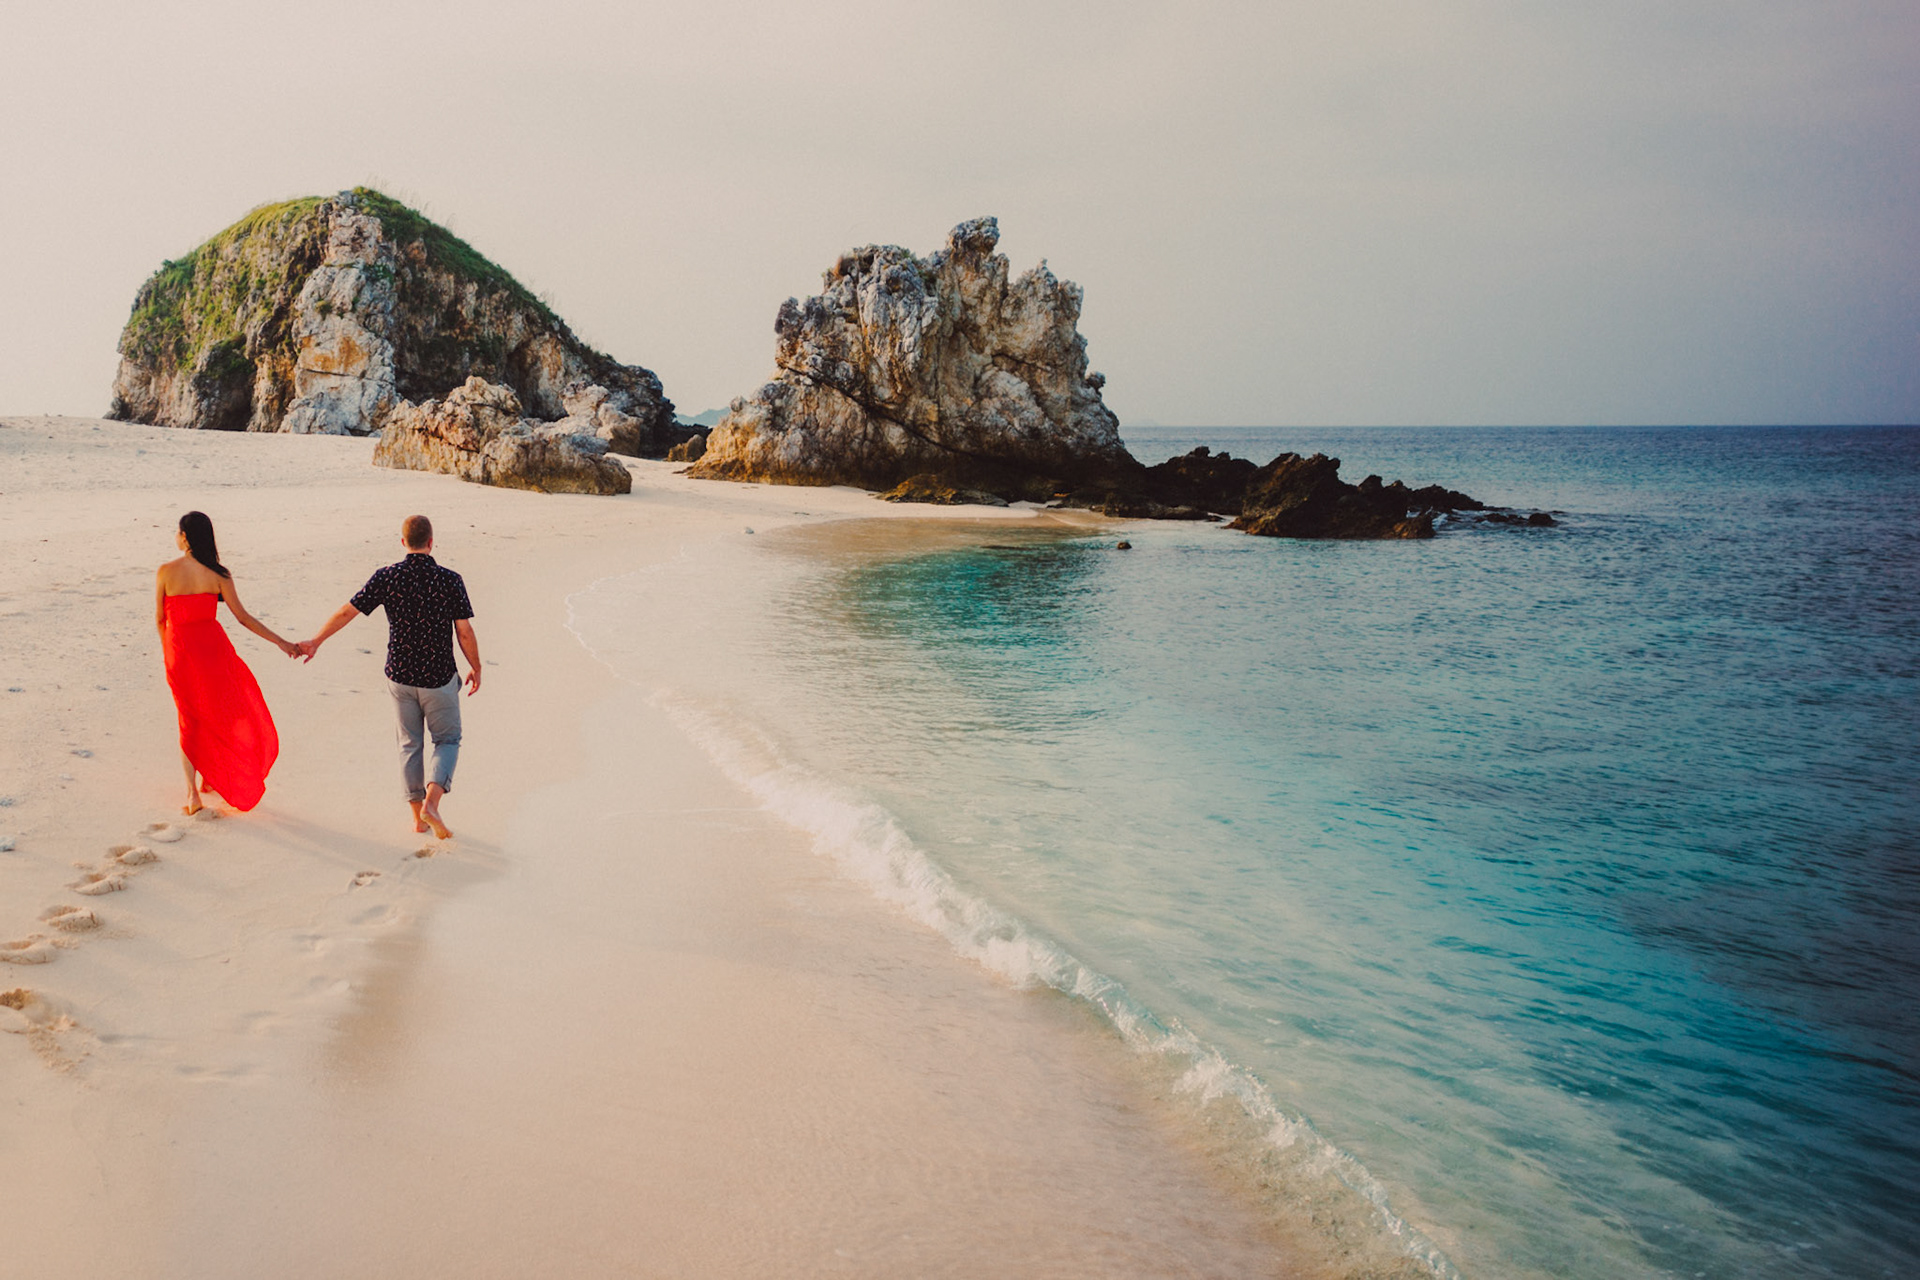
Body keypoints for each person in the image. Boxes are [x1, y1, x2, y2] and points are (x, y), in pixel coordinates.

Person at [299, 515, 480, 839]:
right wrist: (476, 667)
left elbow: (347, 611)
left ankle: (417, 818)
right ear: (431, 542)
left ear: (403, 542)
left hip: (400, 675)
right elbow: (464, 631)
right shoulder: (450, 579)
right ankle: (433, 802)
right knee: (447, 741)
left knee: (409, 744)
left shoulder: (388, 577)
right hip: (438, 677)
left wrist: (316, 641)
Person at [156, 511, 298, 814]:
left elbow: (159, 619)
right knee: (221, 708)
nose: (176, 537)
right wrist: (282, 643)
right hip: (213, 651)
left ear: (185, 536)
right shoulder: (219, 575)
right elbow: (244, 618)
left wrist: (169, 652)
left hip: (179, 653)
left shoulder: (166, 571)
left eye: (178, 532)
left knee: (189, 718)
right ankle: (210, 778)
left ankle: (193, 793)